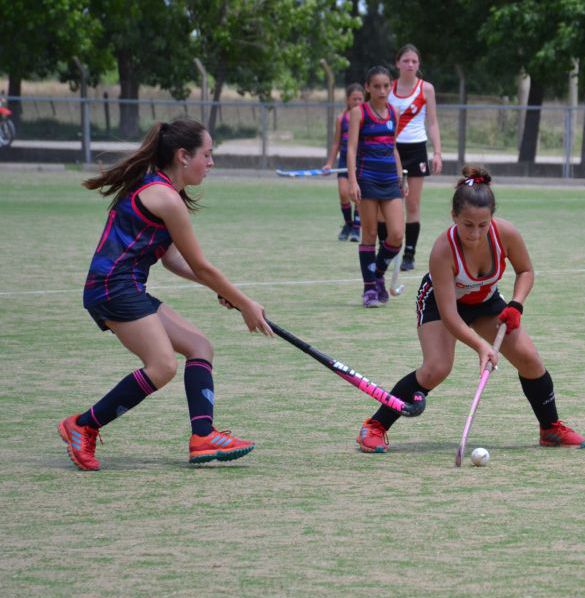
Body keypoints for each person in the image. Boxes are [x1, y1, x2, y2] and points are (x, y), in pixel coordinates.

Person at [57, 119, 274, 471]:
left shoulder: (159, 189)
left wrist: (224, 292)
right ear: (183, 156)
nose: (212, 162)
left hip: (125, 286)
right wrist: (246, 303)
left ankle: (203, 437)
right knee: (162, 366)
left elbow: (172, 258)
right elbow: (201, 266)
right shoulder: (165, 198)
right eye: (208, 154)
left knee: (200, 347)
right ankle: (82, 425)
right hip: (113, 288)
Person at [356, 165, 585, 453]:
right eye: (468, 224)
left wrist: (516, 304)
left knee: (529, 359)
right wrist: (481, 347)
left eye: (483, 224)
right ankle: (375, 426)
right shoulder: (443, 250)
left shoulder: (505, 233)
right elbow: (451, 318)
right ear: (454, 217)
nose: (475, 233)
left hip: (485, 302)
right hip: (441, 306)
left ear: (492, 218)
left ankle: (550, 429)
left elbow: (525, 271)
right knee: (436, 369)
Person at [347, 66, 407, 308]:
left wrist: (401, 178)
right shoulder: (358, 113)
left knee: (396, 235)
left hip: (389, 180)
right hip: (367, 178)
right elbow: (351, 149)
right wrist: (353, 181)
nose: (382, 91)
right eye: (377, 86)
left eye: (386, 86)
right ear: (368, 87)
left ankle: (378, 274)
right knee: (369, 234)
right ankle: (369, 289)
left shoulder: (394, 112)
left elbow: (393, 147)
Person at [386, 43, 443, 272]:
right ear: (397, 63)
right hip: (391, 150)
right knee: (388, 201)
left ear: (419, 64)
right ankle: (388, 249)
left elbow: (432, 121)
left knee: (413, 203)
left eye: (414, 61)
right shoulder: (387, 88)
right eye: (406, 60)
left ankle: (409, 253)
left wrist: (437, 152)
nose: (410, 65)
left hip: (417, 148)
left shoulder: (426, 89)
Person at [323, 83, 364, 241]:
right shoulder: (341, 119)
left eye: (360, 99)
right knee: (343, 193)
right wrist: (329, 163)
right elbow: (336, 143)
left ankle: (357, 227)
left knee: (358, 195)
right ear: (348, 100)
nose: (357, 102)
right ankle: (348, 223)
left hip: (360, 160)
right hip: (344, 160)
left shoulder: (365, 117)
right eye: (354, 99)